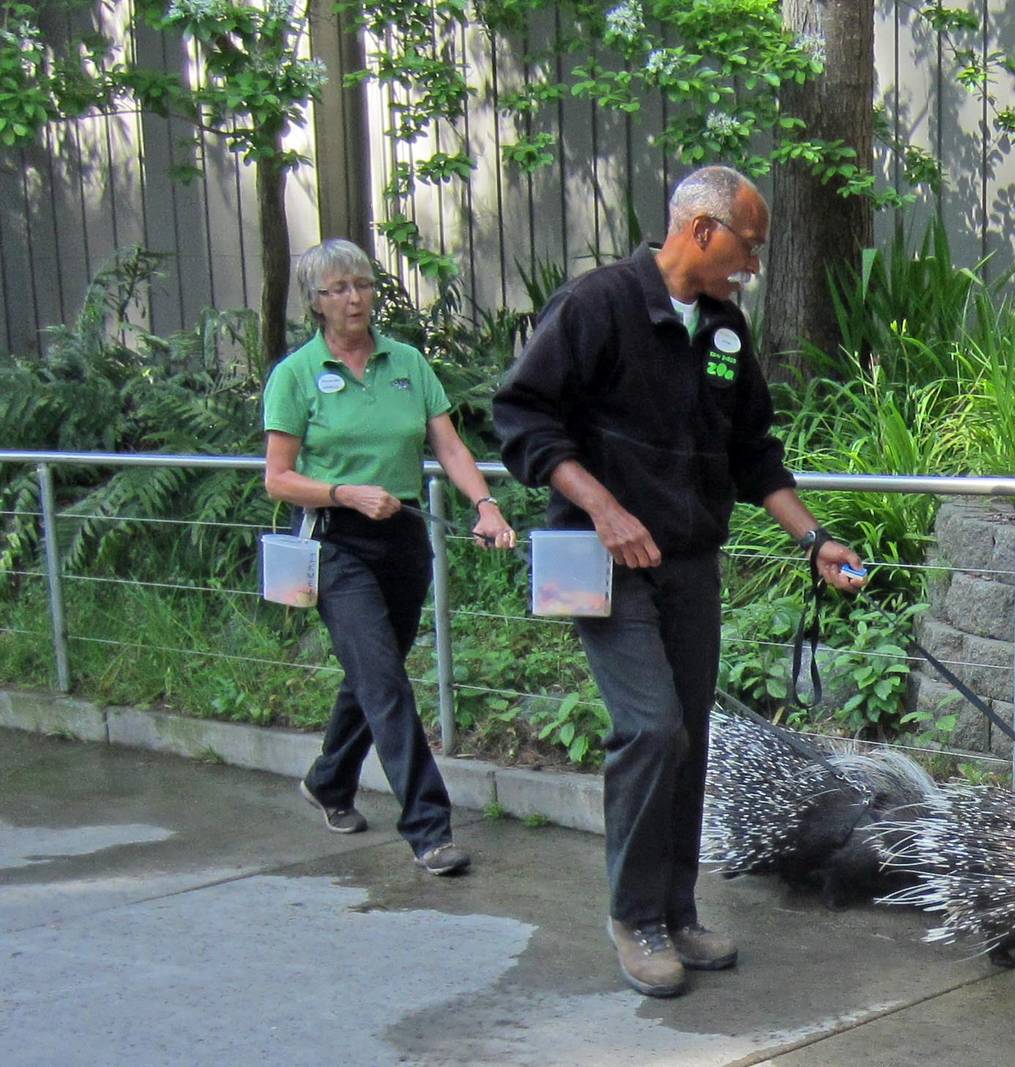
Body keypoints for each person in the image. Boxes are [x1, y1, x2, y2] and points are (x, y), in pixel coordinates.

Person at [493, 165, 865, 997]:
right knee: (652, 728)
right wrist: (602, 507)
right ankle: (634, 917)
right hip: (604, 560)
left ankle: (677, 907)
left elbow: (753, 454)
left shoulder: (726, 330)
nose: (753, 267)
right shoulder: (598, 305)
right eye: (748, 247)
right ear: (701, 229)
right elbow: (522, 418)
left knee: (688, 737)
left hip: (689, 566)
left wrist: (815, 539)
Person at [263, 238, 516, 876]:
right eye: (339, 290)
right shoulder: (296, 375)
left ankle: (328, 781)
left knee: (373, 673)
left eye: (363, 285)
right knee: (384, 682)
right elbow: (279, 478)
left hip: (402, 536)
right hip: (334, 538)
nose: (355, 299)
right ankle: (429, 828)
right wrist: (343, 491)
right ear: (316, 304)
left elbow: (451, 447)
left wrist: (485, 505)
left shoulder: (407, 363)